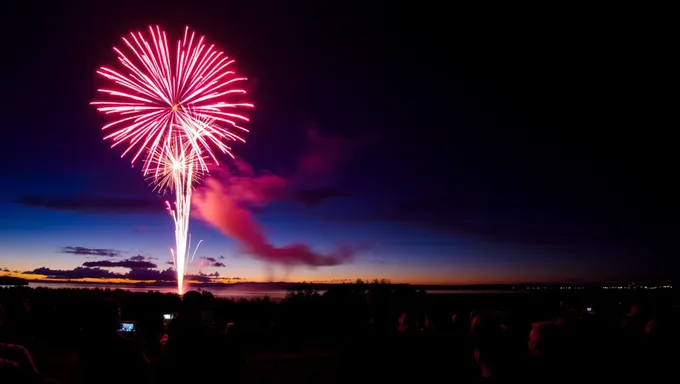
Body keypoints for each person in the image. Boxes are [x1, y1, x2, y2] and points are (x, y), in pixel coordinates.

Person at [78, 299, 150, 384]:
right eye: (118, 313)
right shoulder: (128, 346)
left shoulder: (88, 343)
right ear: (116, 318)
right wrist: (139, 347)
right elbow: (147, 368)